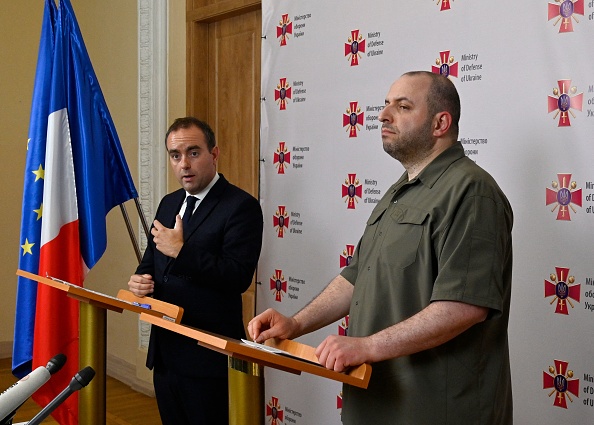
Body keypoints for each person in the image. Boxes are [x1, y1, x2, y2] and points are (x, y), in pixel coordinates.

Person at [248, 71, 513, 424]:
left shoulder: (472, 192)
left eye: (402, 106)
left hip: (436, 410)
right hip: (376, 402)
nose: (383, 115)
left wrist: (367, 346)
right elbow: (356, 277)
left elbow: (464, 306)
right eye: (386, 104)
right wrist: (295, 324)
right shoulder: (398, 190)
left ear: (440, 123)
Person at [128, 117, 263, 425]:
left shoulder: (240, 206)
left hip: (207, 355)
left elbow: (238, 277)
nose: (184, 164)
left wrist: (182, 252)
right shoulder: (168, 203)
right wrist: (140, 280)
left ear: (214, 154)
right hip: (165, 351)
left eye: (193, 153)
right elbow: (152, 261)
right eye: (175, 156)